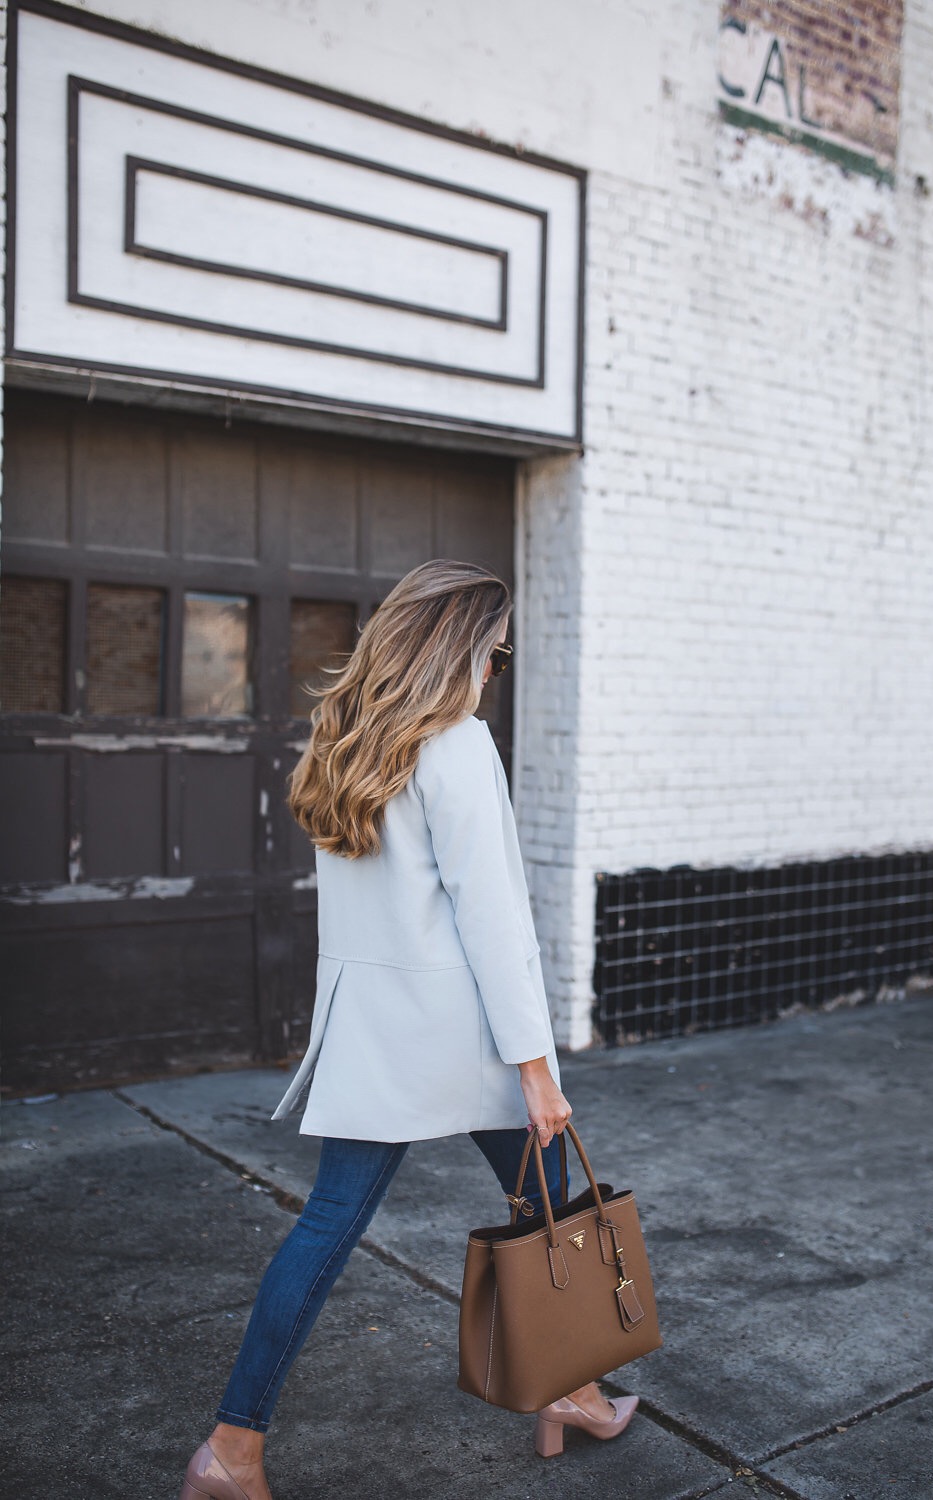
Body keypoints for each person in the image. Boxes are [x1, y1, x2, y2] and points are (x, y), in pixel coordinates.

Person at [180, 560, 637, 1500]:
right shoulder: (458, 745)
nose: (492, 673)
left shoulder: (346, 734)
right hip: (466, 1031)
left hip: (375, 1030)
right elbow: (495, 919)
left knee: (340, 1225)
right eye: (495, 655)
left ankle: (233, 1449)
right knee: (553, 1209)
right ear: (459, 646)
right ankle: (572, 1390)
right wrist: (537, 1066)